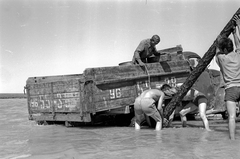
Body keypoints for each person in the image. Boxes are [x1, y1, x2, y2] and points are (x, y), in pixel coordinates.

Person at [215, 15, 240, 140]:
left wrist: (219, 40)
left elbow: (217, 51)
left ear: (224, 49)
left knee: (231, 117)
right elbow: (239, 44)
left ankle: (232, 140)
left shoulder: (222, 58)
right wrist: (235, 31)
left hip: (231, 89)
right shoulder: (238, 55)